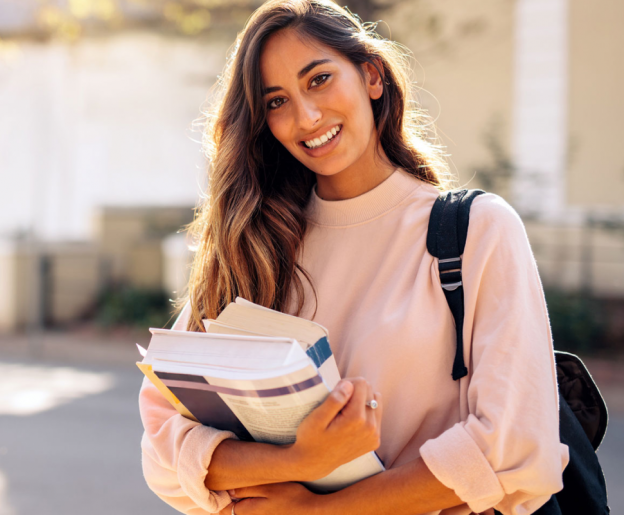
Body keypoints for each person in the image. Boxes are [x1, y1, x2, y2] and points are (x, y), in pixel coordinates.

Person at [137, 1, 570, 514]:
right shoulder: (254, 247)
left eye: (318, 79)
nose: (306, 116)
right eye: (276, 101)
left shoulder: (476, 231)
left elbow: (512, 450)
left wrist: (316, 511)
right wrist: (298, 461)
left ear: (371, 76)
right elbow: (165, 450)